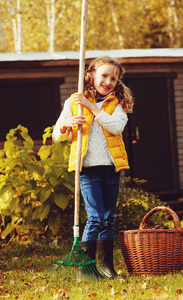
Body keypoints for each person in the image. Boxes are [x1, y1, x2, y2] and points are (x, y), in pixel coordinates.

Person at [52, 56, 134, 278]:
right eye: (104, 76)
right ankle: (85, 270)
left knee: (109, 217)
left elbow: (116, 127)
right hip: (87, 169)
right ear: (91, 75)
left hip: (110, 168)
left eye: (114, 78)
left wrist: (91, 107)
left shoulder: (117, 104)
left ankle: (106, 266)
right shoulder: (73, 102)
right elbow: (56, 135)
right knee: (96, 216)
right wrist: (66, 126)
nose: (108, 81)